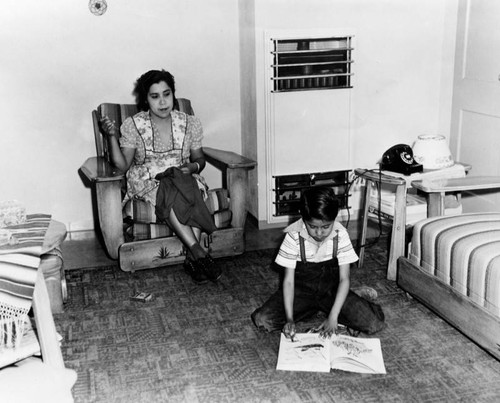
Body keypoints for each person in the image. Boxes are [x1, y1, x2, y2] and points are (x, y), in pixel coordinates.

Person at [100, 69, 221, 285]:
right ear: (146, 100)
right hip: (150, 180)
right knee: (170, 189)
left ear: (173, 95)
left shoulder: (189, 123)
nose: (162, 102)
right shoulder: (134, 125)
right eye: (155, 96)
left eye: (167, 94)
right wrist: (111, 136)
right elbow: (122, 165)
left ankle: (194, 259)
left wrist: (192, 167)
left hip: (184, 176)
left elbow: (199, 159)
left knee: (183, 186)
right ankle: (198, 251)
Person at [251, 186, 385, 339]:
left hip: (332, 291)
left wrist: (333, 316)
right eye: (313, 227)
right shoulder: (293, 237)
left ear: (334, 219)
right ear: (303, 218)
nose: (319, 233)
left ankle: (345, 301)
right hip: (301, 292)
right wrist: (289, 319)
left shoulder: (341, 235)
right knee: (263, 320)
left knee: (373, 323)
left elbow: (344, 279)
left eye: (326, 227)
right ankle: (315, 309)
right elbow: (288, 282)